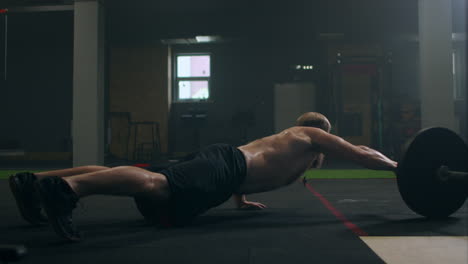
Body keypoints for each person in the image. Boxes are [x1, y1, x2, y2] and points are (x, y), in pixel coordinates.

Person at [9, 112, 397, 241]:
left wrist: (240, 199)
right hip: (225, 167)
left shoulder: (288, 148)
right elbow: (362, 154)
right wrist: (400, 168)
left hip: (225, 169)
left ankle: (35, 180)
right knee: (156, 186)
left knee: (144, 180)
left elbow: (250, 166)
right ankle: (66, 190)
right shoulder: (309, 136)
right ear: (322, 133)